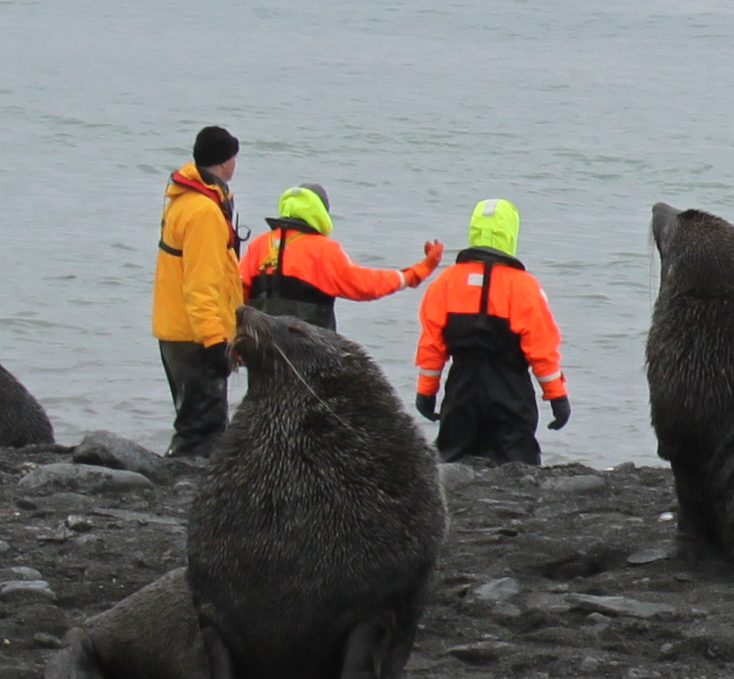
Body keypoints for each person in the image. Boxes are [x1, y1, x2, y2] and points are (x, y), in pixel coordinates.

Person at [415, 200, 570, 467]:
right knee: (519, 466)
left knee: (452, 462)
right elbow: (542, 350)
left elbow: (432, 346)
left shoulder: (446, 282)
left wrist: (426, 393)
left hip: (462, 390)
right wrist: (557, 397)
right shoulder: (524, 287)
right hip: (511, 391)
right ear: (510, 234)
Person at [151, 126, 245, 459]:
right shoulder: (204, 212)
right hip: (195, 336)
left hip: (175, 329)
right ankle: (191, 488)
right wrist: (215, 341)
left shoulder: (183, 201)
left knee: (192, 420)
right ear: (224, 162)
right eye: (234, 157)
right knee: (203, 428)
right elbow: (201, 284)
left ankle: (180, 477)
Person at [237, 187, 440, 333]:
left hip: (261, 348)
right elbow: (364, 285)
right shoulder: (323, 249)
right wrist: (415, 273)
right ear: (320, 212)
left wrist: (237, 342)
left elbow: (238, 292)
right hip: (310, 350)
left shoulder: (259, 244)